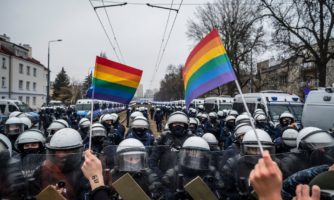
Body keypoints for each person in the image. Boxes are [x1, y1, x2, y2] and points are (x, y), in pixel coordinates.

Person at [31, 128, 90, 199]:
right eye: (57, 151)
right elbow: (32, 194)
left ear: (77, 151)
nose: (60, 155)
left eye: (66, 151)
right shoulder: (43, 170)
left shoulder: (86, 171)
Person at [149, 111, 192, 177]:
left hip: (185, 178)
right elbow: (152, 161)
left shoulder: (191, 139)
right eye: (175, 124)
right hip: (164, 177)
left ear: (185, 125)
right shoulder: (163, 138)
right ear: (170, 125)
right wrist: (161, 176)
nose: (178, 126)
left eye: (181, 123)